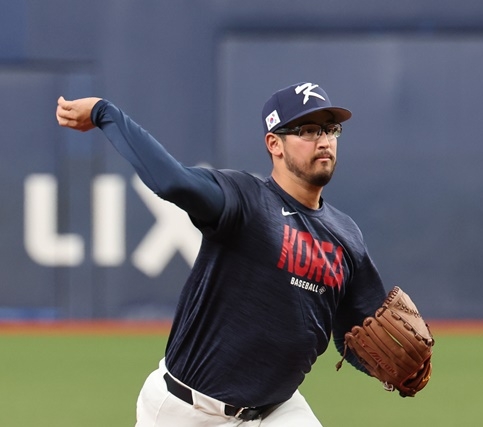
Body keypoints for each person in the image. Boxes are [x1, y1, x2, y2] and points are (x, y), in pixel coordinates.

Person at [56, 82, 388, 426]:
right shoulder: (244, 200)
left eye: (330, 129)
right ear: (274, 143)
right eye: (307, 130)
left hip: (278, 410)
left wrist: (388, 366)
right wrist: (104, 112)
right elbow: (174, 182)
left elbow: (360, 332)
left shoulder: (346, 236)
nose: (323, 140)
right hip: (186, 411)